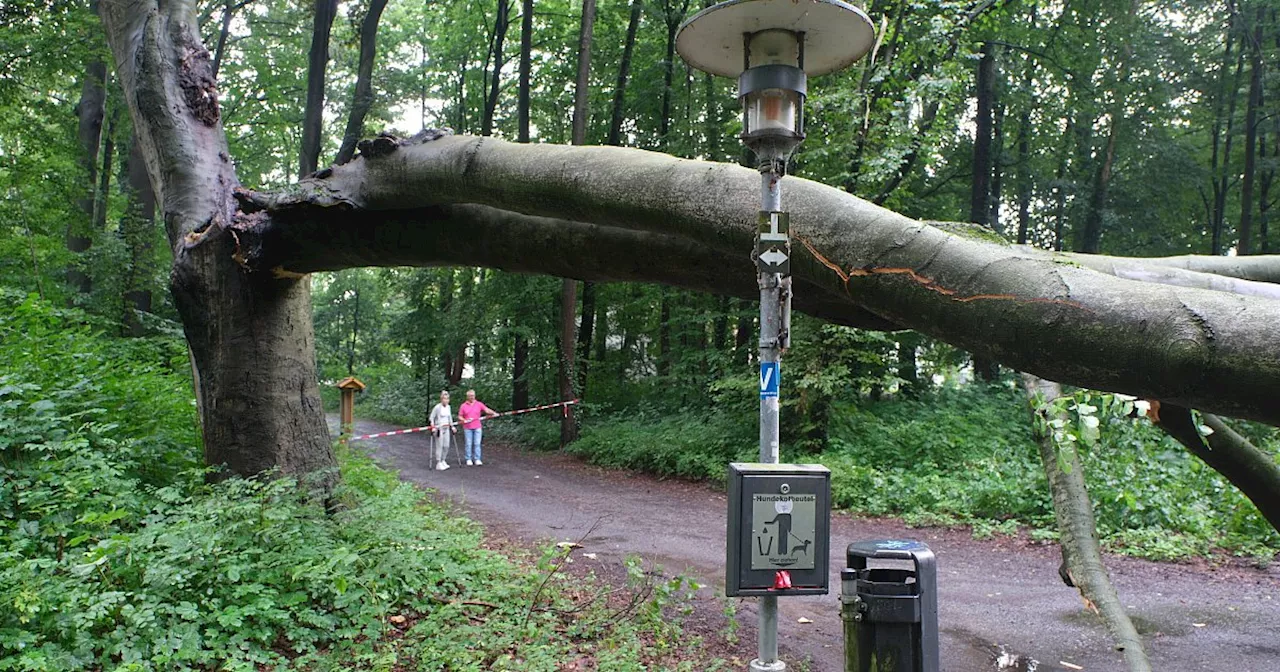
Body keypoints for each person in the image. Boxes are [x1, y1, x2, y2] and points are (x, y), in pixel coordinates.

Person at [457, 389, 499, 466]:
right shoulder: (463, 405)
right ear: (467, 397)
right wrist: (464, 420)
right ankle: (468, 459)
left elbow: (486, 410)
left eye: (473, 395)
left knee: (477, 443)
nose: (472, 397)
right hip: (467, 427)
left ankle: (477, 459)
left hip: (477, 427)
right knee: (468, 444)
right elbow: (460, 416)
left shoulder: (479, 404)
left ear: (475, 396)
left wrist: (494, 413)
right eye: (470, 396)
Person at [427, 390, 457, 471]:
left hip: (446, 428)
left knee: (446, 446)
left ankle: (443, 460)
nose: (446, 400)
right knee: (439, 445)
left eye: (447, 399)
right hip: (439, 429)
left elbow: (449, 417)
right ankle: (438, 462)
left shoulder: (448, 407)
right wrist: (433, 427)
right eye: (444, 399)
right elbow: (431, 418)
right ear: (441, 399)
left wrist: (452, 426)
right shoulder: (437, 407)